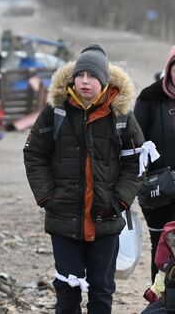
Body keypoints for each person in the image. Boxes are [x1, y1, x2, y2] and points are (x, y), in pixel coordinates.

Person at [23, 44, 145, 314]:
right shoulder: (56, 112)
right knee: (67, 291)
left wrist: (121, 200)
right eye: (81, 76)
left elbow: (136, 163)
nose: (85, 82)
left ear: (103, 80)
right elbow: (34, 154)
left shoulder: (121, 116)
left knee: (101, 291)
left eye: (92, 76)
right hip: (64, 220)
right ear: (73, 79)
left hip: (107, 220)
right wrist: (47, 197)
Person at [133, 42, 175, 286]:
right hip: (158, 192)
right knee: (160, 251)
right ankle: (160, 301)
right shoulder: (149, 98)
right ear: (168, 71)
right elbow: (134, 142)